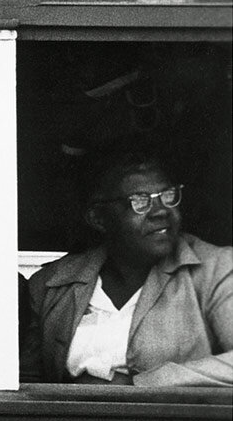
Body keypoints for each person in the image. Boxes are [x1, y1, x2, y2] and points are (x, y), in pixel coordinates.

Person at [22, 141, 231, 387]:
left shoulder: (215, 270)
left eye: (168, 195)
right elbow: (26, 381)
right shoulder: (51, 284)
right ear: (98, 219)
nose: (160, 211)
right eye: (139, 201)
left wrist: (149, 383)